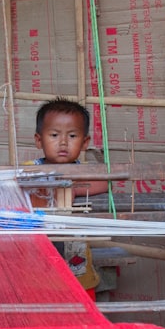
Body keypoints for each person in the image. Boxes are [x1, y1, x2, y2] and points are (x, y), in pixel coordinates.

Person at [31, 98, 109, 298]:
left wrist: (73, 187)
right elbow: (18, 186)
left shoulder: (83, 171)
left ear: (85, 142)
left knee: (81, 315)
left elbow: (104, 182)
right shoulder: (30, 170)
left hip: (76, 264)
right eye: (54, 135)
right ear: (39, 140)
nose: (63, 142)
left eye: (72, 135)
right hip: (36, 264)